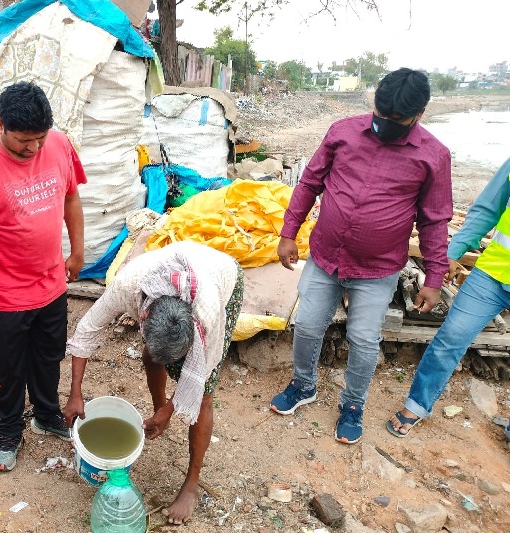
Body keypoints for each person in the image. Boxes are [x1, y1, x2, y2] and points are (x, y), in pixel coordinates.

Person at [269, 68, 453, 445]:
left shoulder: (434, 156)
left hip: (377, 268)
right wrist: (288, 233)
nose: (386, 125)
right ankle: (304, 386)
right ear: (374, 103)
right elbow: (309, 184)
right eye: (381, 116)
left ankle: (352, 405)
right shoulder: (343, 131)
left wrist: (434, 279)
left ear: (420, 114)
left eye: (397, 121)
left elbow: (435, 220)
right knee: (306, 325)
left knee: (365, 339)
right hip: (325, 256)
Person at [0, 81, 86, 472]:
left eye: (39, 139)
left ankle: (45, 413)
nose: (33, 149)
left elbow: (71, 196)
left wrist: (77, 251)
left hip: (51, 282)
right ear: (0, 125)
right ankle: (9, 429)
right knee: (8, 367)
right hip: (3, 293)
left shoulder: (58, 144)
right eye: (23, 141)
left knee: (49, 355)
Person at [65, 241, 245, 525]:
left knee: (204, 397)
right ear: (144, 317)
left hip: (222, 276)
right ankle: (159, 409)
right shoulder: (128, 286)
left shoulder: (208, 312)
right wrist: (75, 393)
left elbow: (202, 371)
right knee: (151, 358)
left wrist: (176, 407)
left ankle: (191, 485)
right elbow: (87, 330)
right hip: (175, 277)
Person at [387, 157, 510, 440]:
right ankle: (416, 405)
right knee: (451, 337)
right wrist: (453, 253)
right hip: (492, 275)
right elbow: (487, 209)